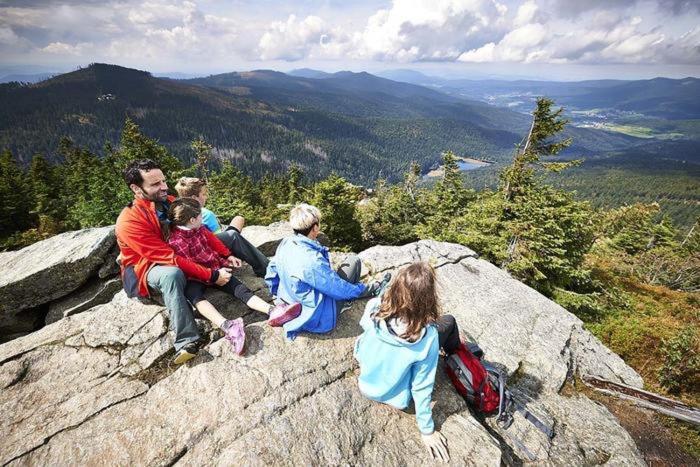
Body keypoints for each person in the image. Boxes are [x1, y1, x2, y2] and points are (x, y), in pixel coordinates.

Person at [116, 159, 224, 364]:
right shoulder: (129, 220)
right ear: (135, 188)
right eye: (155, 184)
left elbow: (198, 230)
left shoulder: (168, 202)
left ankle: (268, 272)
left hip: (176, 253)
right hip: (146, 267)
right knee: (172, 275)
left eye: (163, 181)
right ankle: (186, 341)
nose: (164, 187)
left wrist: (226, 253)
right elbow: (169, 258)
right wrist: (211, 275)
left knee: (229, 238)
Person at [354, 262, 459, 463]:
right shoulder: (427, 338)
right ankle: (455, 353)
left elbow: (364, 324)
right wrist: (427, 431)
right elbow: (422, 387)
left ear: (395, 288)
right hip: (394, 395)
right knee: (450, 322)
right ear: (428, 300)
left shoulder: (374, 307)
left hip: (366, 382)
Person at [166, 198, 301, 355]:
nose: (203, 217)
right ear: (192, 219)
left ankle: (272, 310)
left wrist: (227, 257)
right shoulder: (176, 241)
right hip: (196, 276)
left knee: (239, 288)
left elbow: (212, 245)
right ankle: (228, 326)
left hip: (214, 268)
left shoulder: (198, 228)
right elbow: (189, 266)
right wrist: (214, 275)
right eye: (200, 215)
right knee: (195, 297)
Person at [265, 203, 382, 340]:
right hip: (315, 316)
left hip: (289, 300)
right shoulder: (312, 260)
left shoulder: (286, 243)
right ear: (315, 227)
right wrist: (369, 288)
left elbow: (271, 274)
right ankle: (344, 304)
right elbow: (338, 288)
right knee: (353, 261)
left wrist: (279, 297)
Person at [174, 177, 268, 277]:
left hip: (194, 252)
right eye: (204, 194)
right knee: (234, 232)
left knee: (238, 220)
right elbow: (216, 240)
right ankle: (266, 269)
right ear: (194, 198)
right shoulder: (206, 214)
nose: (206, 197)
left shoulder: (177, 212)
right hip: (211, 251)